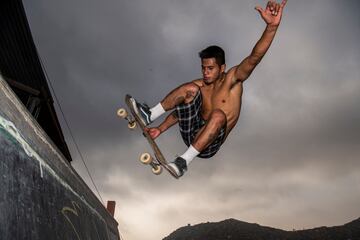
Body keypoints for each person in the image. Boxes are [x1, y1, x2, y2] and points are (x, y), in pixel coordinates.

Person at [130, 0, 288, 177]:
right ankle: (149, 115)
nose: (205, 73)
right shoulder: (201, 85)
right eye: (203, 68)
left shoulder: (233, 80)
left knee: (218, 115)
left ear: (222, 68)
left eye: (210, 69)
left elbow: (254, 57)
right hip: (191, 132)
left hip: (209, 144)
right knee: (190, 88)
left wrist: (271, 28)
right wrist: (160, 128)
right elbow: (181, 111)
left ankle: (183, 162)